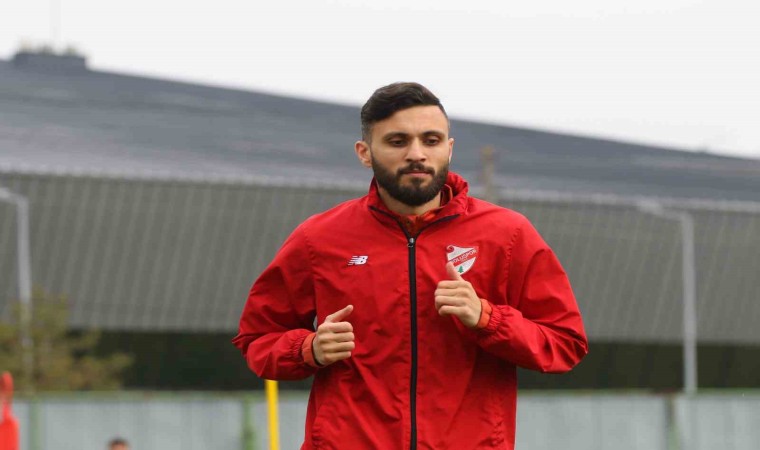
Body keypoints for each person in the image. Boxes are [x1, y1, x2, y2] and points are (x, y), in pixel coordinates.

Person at [233, 82, 588, 449]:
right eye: (397, 141)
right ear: (365, 153)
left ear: (449, 148)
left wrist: (488, 319)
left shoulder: (507, 235)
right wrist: (310, 349)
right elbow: (257, 339)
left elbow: (565, 344)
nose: (416, 154)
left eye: (431, 140)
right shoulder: (319, 238)